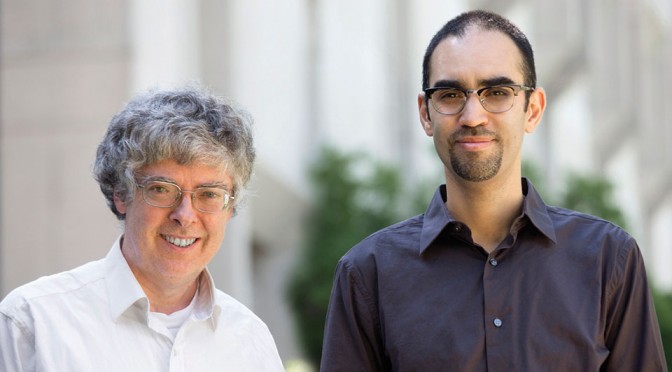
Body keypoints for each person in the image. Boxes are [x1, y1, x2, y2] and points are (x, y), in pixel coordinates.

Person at [320, 10, 667, 371]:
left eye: (497, 92)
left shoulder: (608, 259)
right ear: (426, 113)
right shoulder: (367, 274)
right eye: (451, 94)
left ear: (532, 110)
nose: (473, 116)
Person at [0, 86, 284, 371]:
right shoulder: (32, 322)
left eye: (209, 194)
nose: (185, 216)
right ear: (121, 195)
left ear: (230, 208)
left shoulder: (251, 341)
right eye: (161, 190)